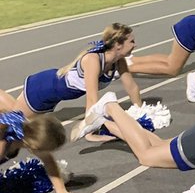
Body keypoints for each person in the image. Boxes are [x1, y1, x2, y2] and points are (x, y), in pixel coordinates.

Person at [11, 23, 142, 128]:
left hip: (54, 95)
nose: (135, 45)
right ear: (118, 45)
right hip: (42, 88)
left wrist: (141, 113)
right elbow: (92, 100)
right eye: (131, 41)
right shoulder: (93, 60)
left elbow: (132, 88)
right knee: (12, 126)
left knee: (19, 124)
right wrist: (90, 130)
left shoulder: (119, 61)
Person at [0, 110, 83, 193]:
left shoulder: (30, 131)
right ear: (35, 147)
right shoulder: (4, 141)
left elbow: (48, 161)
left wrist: (61, 191)